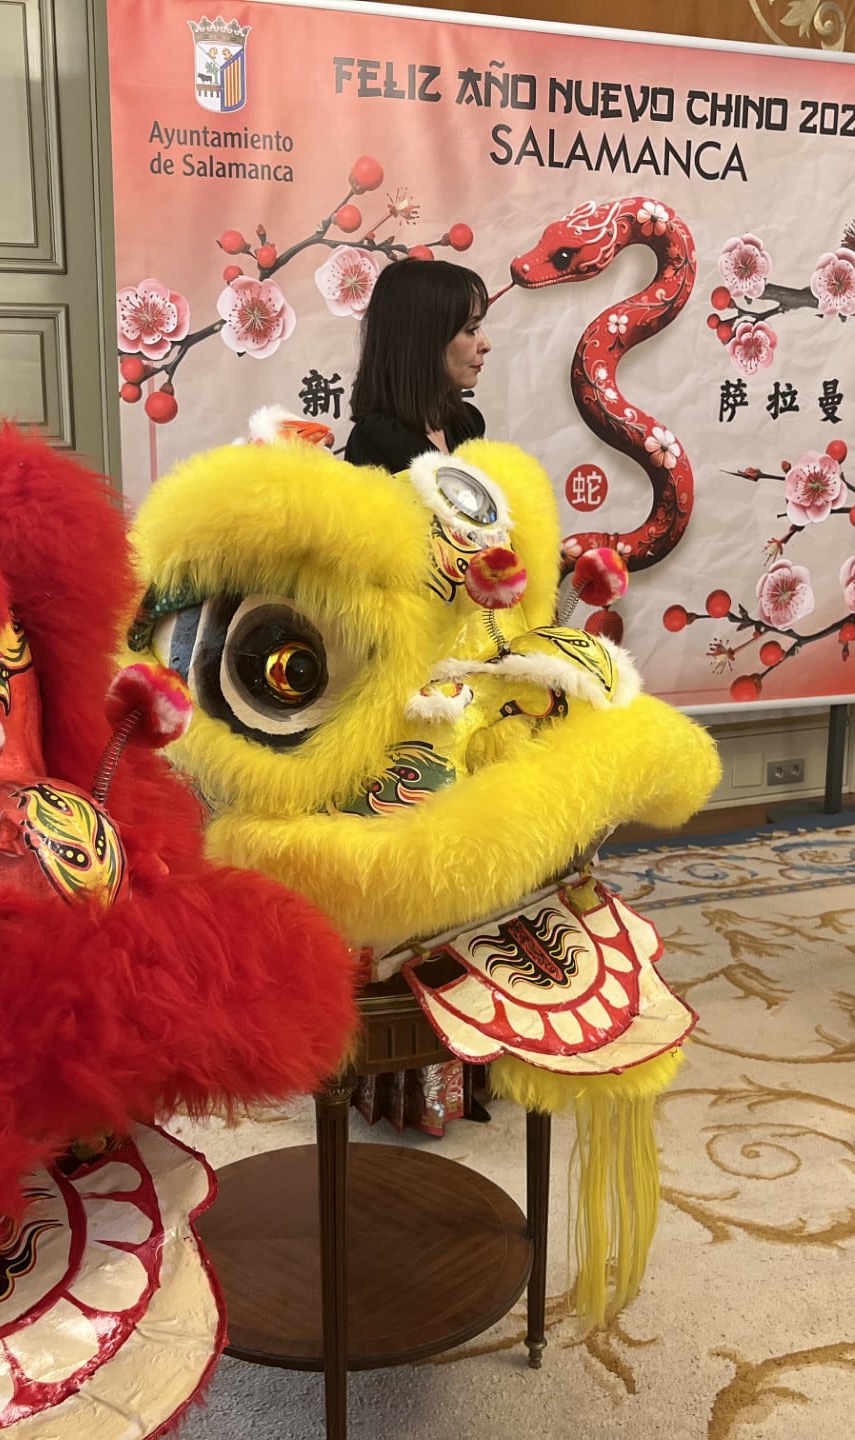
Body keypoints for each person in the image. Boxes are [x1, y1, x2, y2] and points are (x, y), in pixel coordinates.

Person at [343, 257, 493, 1136]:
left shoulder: (470, 431)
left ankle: (472, 1061)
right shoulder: (371, 451)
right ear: (422, 339)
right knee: (411, 879)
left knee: (475, 874)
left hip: (471, 677)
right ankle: (397, 1079)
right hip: (400, 693)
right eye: (467, 327)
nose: (482, 343)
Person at [343, 257, 491, 473]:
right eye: (471, 329)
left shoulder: (467, 424)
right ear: (424, 339)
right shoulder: (374, 441)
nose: (485, 345)